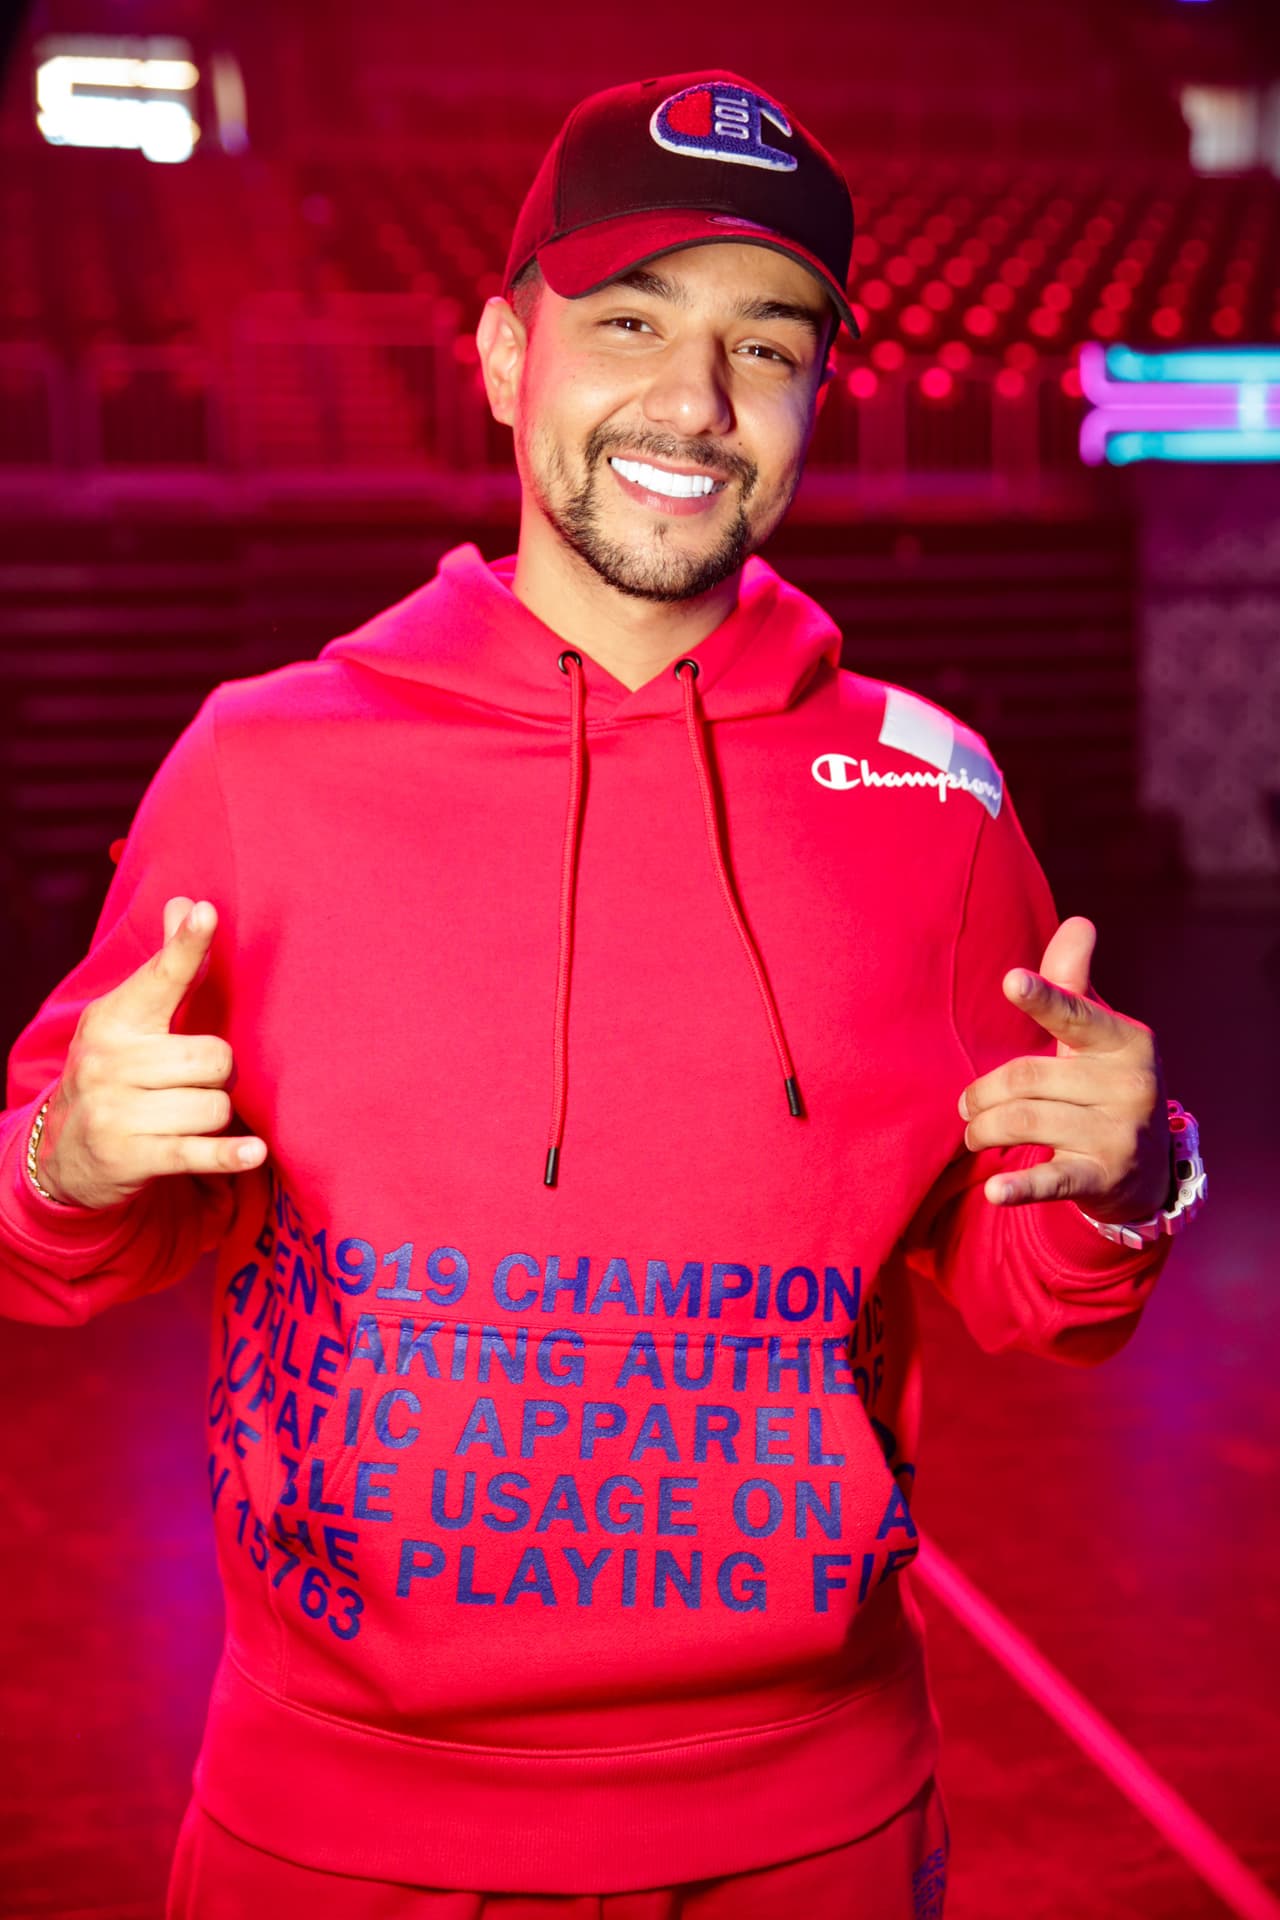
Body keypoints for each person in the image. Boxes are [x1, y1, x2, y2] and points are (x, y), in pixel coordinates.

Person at [0, 68, 1205, 1920]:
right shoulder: (261, 764)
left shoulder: (936, 790)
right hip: (336, 1834)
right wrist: (73, 1166)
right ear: (502, 354)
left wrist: (1118, 1186)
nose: (693, 403)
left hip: (817, 1824)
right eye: (629, 321)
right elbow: (50, 1241)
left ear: (814, 399)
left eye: (766, 344)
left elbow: (1027, 1297)